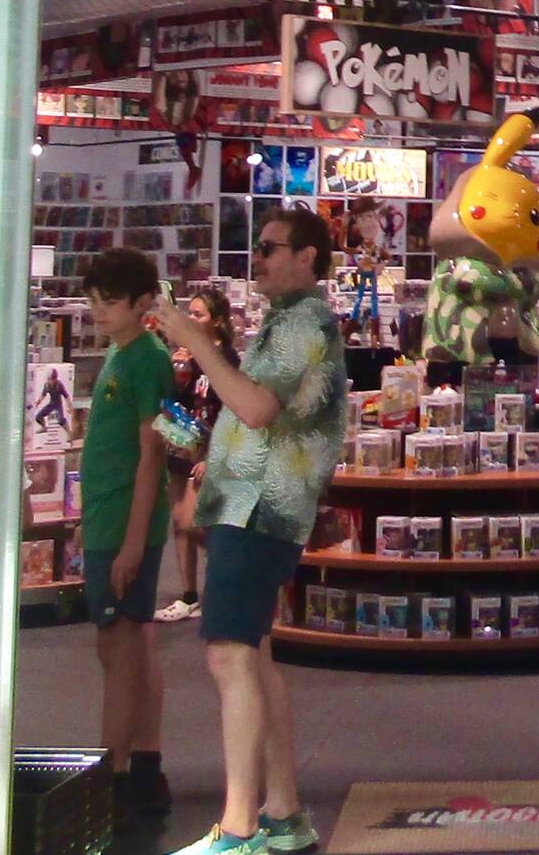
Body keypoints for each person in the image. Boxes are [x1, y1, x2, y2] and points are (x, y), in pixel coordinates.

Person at [155, 208, 348, 855]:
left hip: (261, 507)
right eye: (258, 247)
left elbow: (258, 407)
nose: (258, 257)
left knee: (230, 653)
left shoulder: (303, 323)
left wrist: (194, 338)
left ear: (309, 258)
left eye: (270, 248)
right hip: (251, 503)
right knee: (252, 655)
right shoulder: (289, 321)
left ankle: (239, 827)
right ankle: (282, 811)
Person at [78, 248, 176, 822]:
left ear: (143, 304)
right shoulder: (126, 354)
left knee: (119, 647)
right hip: (109, 519)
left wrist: (135, 541)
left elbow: (153, 451)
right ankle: (142, 767)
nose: (98, 311)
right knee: (129, 645)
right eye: (93, 300)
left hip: (122, 524)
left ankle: (115, 778)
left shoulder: (145, 358)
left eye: (109, 301)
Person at [157, 287, 237, 624]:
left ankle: (227, 576)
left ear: (217, 321)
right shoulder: (186, 356)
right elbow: (177, 399)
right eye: (189, 313)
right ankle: (188, 594)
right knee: (178, 522)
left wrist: (214, 456)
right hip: (181, 442)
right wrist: (177, 372)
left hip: (208, 449)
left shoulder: (225, 359)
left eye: (199, 314)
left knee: (194, 522)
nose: (192, 319)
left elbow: (231, 411)